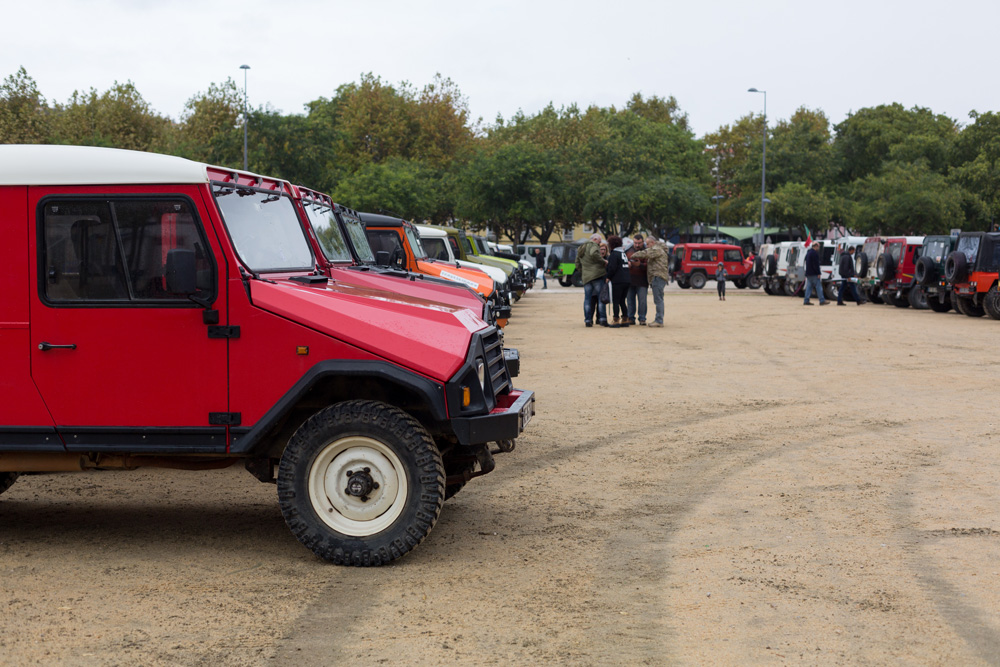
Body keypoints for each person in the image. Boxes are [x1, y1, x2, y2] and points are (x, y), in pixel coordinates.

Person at [628, 236, 670, 327]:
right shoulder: (659, 249)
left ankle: (659, 320)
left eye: (647, 244)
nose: (646, 246)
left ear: (652, 243)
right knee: (659, 299)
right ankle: (659, 319)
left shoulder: (656, 249)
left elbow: (646, 253)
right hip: (658, 277)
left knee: (658, 300)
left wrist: (633, 255)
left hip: (657, 277)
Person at [575, 233, 608, 326]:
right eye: (599, 241)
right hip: (597, 275)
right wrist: (603, 261)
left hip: (586, 277)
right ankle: (602, 319)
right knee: (600, 298)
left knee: (587, 299)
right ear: (594, 239)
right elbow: (593, 253)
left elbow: (577, 262)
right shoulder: (593, 245)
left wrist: (583, 271)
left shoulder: (581, 247)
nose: (600, 243)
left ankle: (588, 320)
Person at [606, 235, 630, 326]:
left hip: (618, 280)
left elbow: (612, 268)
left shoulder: (614, 254)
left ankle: (616, 319)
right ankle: (625, 319)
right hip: (627, 279)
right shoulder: (623, 253)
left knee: (616, 301)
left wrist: (608, 277)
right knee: (622, 301)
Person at [626, 234, 648, 325]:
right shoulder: (628, 250)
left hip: (642, 280)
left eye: (639, 243)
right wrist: (628, 264)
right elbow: (623, 262)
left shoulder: (647, 251)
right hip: (630, 279)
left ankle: (642, 318)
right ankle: (631, 318)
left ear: (643, 242)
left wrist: (640, 265)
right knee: (630, 300)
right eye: (635, 243)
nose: (637, 245)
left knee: (642, 301)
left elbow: (649, 265)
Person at [802, 241, 829, 306]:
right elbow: (816, 264)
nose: (818, 248)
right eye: (818, 246)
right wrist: (818, 273)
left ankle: (806, 300)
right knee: (818, 287)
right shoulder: (815, 253)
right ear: (816, 246)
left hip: (808, 273)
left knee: (809, 287)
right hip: (814, 273)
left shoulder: (808, 253)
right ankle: (822, 300)